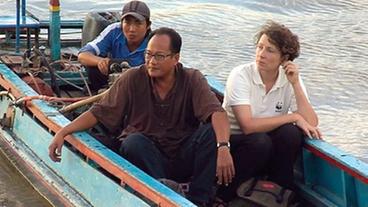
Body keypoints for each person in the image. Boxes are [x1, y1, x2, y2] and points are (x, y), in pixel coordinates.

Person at [49, 27, 235, 206]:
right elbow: (99, 112)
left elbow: (216, 112)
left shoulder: (192, 78)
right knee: (133, 142)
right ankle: (163, 192)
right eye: (148, 54)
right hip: (147, 156)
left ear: (176, 58)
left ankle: (198, 200)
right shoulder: (132, 78)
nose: (152, 61)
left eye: (159, 56)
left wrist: (223, 147)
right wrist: (63, 131)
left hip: (181, 153)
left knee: (211, 132)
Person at [218, 20, 322, 202]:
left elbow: (311, 122)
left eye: (270, 50)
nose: (261, 54)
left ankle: (277, 193)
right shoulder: (241, 75)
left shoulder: (289, 79)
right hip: (235, 144)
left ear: (284, 58)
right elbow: (247, 126)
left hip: (266, 144)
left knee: (291, 133)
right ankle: (225, 195)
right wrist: (294, 116)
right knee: (260, 141)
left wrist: (296, 84)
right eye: (260, 47)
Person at [78, 0, 151, 92]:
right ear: (121, 23)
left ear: (148, 25)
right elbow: (82, 55)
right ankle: (101, 93)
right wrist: (101, 61)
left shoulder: (154, 41)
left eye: (138, 23)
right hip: (112, 82)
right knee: (93, 67)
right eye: (127, 22)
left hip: (141, 85)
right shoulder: (114, 31)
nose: (132, 29)